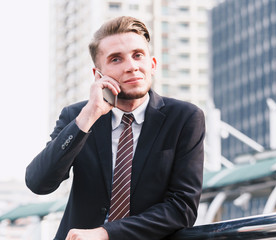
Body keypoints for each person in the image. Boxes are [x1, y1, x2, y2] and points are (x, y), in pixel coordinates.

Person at [25, 16, 205, 240]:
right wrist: (87, 118)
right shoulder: (78, 116)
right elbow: (38, 183)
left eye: (138, 55)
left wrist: (105, 234)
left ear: (152, 64)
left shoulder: (185, 118)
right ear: (97, 75)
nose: (131, 67)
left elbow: (182, 208)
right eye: (116, 59)